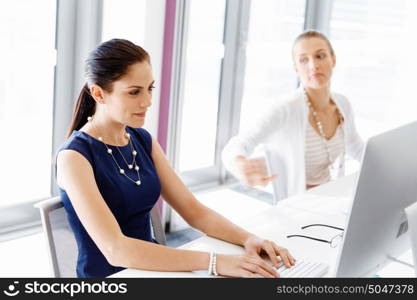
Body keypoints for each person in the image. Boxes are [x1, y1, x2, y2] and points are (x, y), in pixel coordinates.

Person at [56, 39, 295, 278]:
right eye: (134, 92)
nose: (147, 102)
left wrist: (249, 239)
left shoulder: (142, 141)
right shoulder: (74, 157)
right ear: (98, 93)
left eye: (150, 88)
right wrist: (214, 262)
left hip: (154, 272)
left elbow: (194, 211)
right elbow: (116, 250)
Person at [222, 30, 364, 200]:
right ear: (296, 68)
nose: (313, 65)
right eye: (304, 60)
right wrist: (240, 165)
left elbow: (354, 145)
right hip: (296, 204)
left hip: (330, 198)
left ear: (333, 59)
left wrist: (389, 164)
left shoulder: (343, 104)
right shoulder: (285, 108)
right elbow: (235, 147)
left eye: (320, 56)